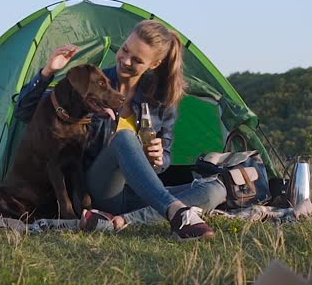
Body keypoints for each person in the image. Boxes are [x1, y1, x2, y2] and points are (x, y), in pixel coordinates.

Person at [14, 20, 226, 240]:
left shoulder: (161, 100)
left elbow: (164, 163)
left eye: (137, 60)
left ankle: (121, 221)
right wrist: (48, 72)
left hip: (142, 193)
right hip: (100, 188)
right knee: (124, 137)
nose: (125, 60)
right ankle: (175, 212)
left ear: (154, 64)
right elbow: (25, 113)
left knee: (216, 189)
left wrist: (158, 158)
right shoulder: (95, 84)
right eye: (125, 50)